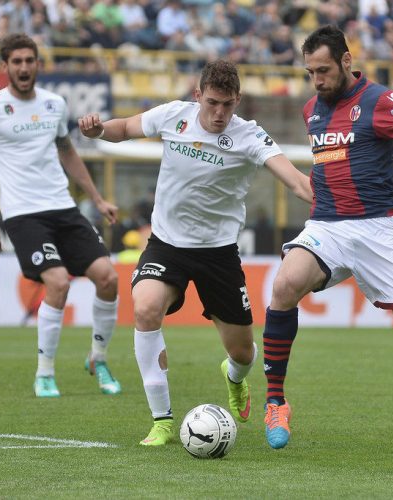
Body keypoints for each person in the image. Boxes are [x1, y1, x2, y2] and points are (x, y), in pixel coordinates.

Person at [260, 25, 393, 450]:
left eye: (323, 70)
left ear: (346, 61)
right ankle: (276, 402)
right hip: (328, 225)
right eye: (310, 72)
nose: (317, 80)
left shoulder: (379, 100)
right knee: (283, 285)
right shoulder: (312, 110)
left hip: (380, 229)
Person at [78, 59, 312, 446]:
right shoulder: (174, 116)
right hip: (166, 246)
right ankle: (162, 420)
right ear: (198, 95)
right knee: (145, 308)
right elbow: (125, 128)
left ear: (238, 100)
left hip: (218, 254)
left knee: (243, 353)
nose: (219, 113)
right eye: (212, 103)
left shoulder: (250, 136)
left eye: (228, 105)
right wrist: (99, 129)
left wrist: (335, 202)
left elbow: (298, 183)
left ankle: (234, 378)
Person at [0, 33, 121, 398]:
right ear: (5, 66)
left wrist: (98, 199)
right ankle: (44, 373)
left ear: (38, 64)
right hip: (23, 214)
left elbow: (67, 152)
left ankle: (98, 359)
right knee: (58, 282)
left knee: (108, 278)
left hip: (63, 208)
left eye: (29, 60)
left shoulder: (54, 104)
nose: (23, 67)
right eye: (16, 61)